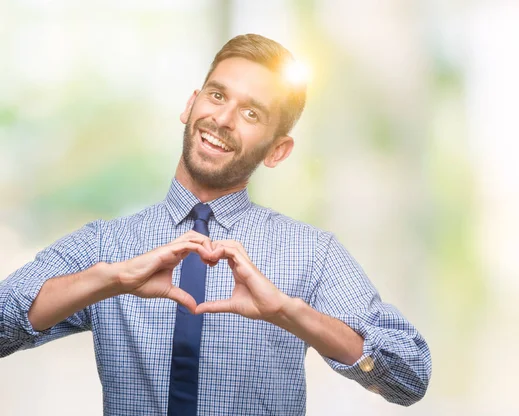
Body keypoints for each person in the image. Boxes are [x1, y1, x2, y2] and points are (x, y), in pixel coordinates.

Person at [0, 34, 431, 415]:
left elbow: (410, 378)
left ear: (277, 151)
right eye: (218, 96)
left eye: (251, 114)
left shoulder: (313, 253)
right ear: (191, 104)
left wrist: (289, 312)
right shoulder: (106, 246)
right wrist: (106, 280)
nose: (223, 120)